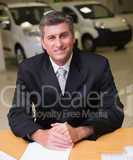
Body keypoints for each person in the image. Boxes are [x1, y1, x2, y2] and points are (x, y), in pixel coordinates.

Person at [8, 10, 124, 150]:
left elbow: (114, 110)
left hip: (87, 142)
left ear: (73, 37)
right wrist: (40, 135)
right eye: (51, 37)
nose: (58, 44)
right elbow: (17, 113)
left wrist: (80, 132)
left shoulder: (98, 65)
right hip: (46, 146)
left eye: (63, 36)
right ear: (43, 43)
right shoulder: (28, 69)